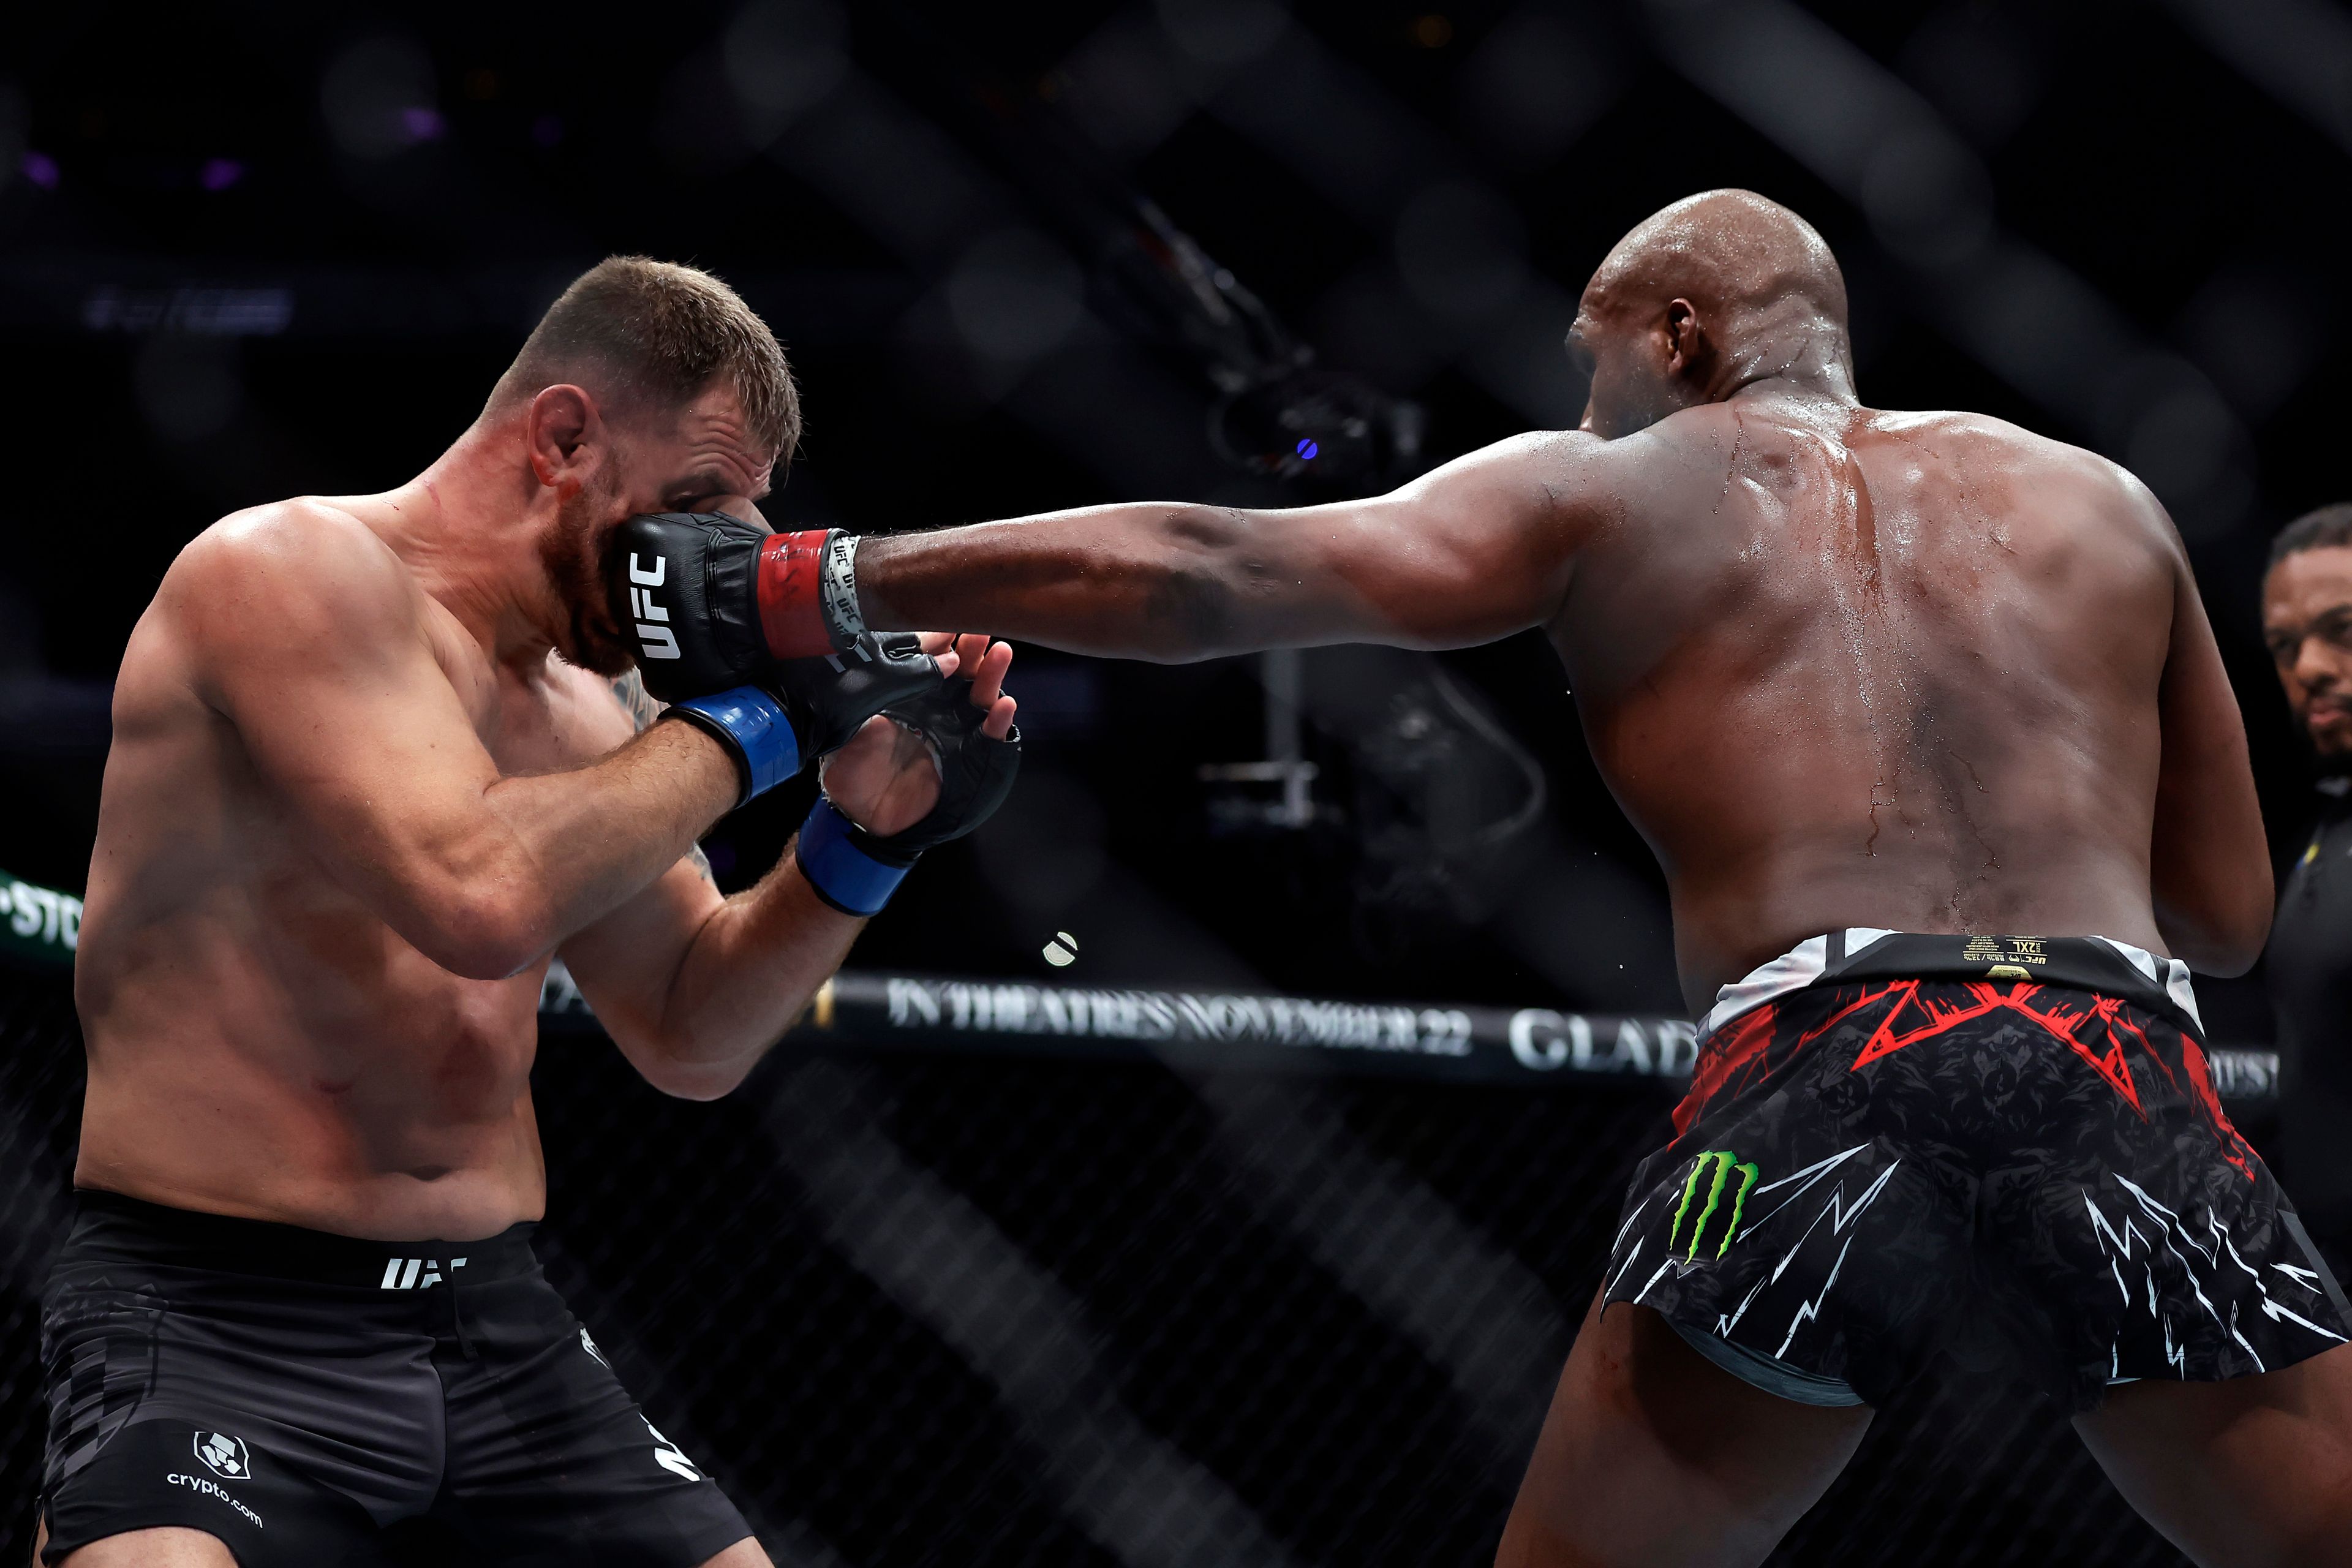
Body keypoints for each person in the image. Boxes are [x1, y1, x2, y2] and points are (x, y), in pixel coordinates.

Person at [710, 191, 2352, 1565]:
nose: (1583, 404)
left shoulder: (1618, 483)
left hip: (1822, 1069)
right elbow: (2222, 913)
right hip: (2113, 1059)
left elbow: (1216, 571)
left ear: (1688, 341)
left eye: (1598, 359)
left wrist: (810, 579)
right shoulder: (2108, 502)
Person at [45, 257, 1020, 1567]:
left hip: (492, 1324)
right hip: (216, 1315)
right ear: (564, 437)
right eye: (691, 508)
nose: (713, 569)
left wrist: (864, 836)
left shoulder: (584, 705)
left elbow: (692, 1029)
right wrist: (775, 713)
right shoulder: (286, 570)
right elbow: (477, 893)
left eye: (736, 530)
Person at [2262, 504, 2352, 1284]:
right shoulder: (2326, 832)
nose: (2312, 668)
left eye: (2343, 630)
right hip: (2326, 1294)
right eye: (2286, 647)